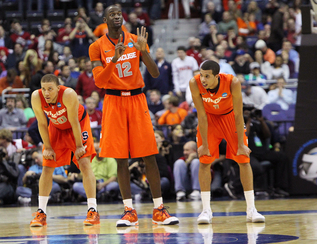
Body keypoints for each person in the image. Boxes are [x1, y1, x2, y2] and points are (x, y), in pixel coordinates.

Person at [89, 5, 179, 227]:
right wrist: (114, 59)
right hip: (113, 100)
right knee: (121, 158)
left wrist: (144, 50)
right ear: (105, 19)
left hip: (137, 100)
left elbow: (155, 73)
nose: (117, 16)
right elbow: (100, 82)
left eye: (119, 13)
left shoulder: (136, 39)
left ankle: (159, 209)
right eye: (112, 14)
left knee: (149, 155)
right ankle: (129, 211)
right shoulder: (96, 46)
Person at [189, 60, 265, 224]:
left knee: (243, 160)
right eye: (201, 75)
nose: (203, 79)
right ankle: (206, 211)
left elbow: (239, 115)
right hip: (209, 120)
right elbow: (201, 116)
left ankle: (251, 209)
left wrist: (241, 144)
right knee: (204, 160)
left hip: (230, 118)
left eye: (207, 76)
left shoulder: (232, 82)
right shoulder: (194, 83)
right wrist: (203, 145)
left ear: (217, 76)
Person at [29, 74, 99, 227]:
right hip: (56, 127)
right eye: (43, 89)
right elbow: (41, 123)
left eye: (50, 89)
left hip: (78, 125)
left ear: (58, 88)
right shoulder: (36, 97)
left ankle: (92, 210)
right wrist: (47, 147)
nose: (46, 93)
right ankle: (41, 212)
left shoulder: (68, 94)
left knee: (84, 163)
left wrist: (79, 146)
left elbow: (74, 121)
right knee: (47, 167)